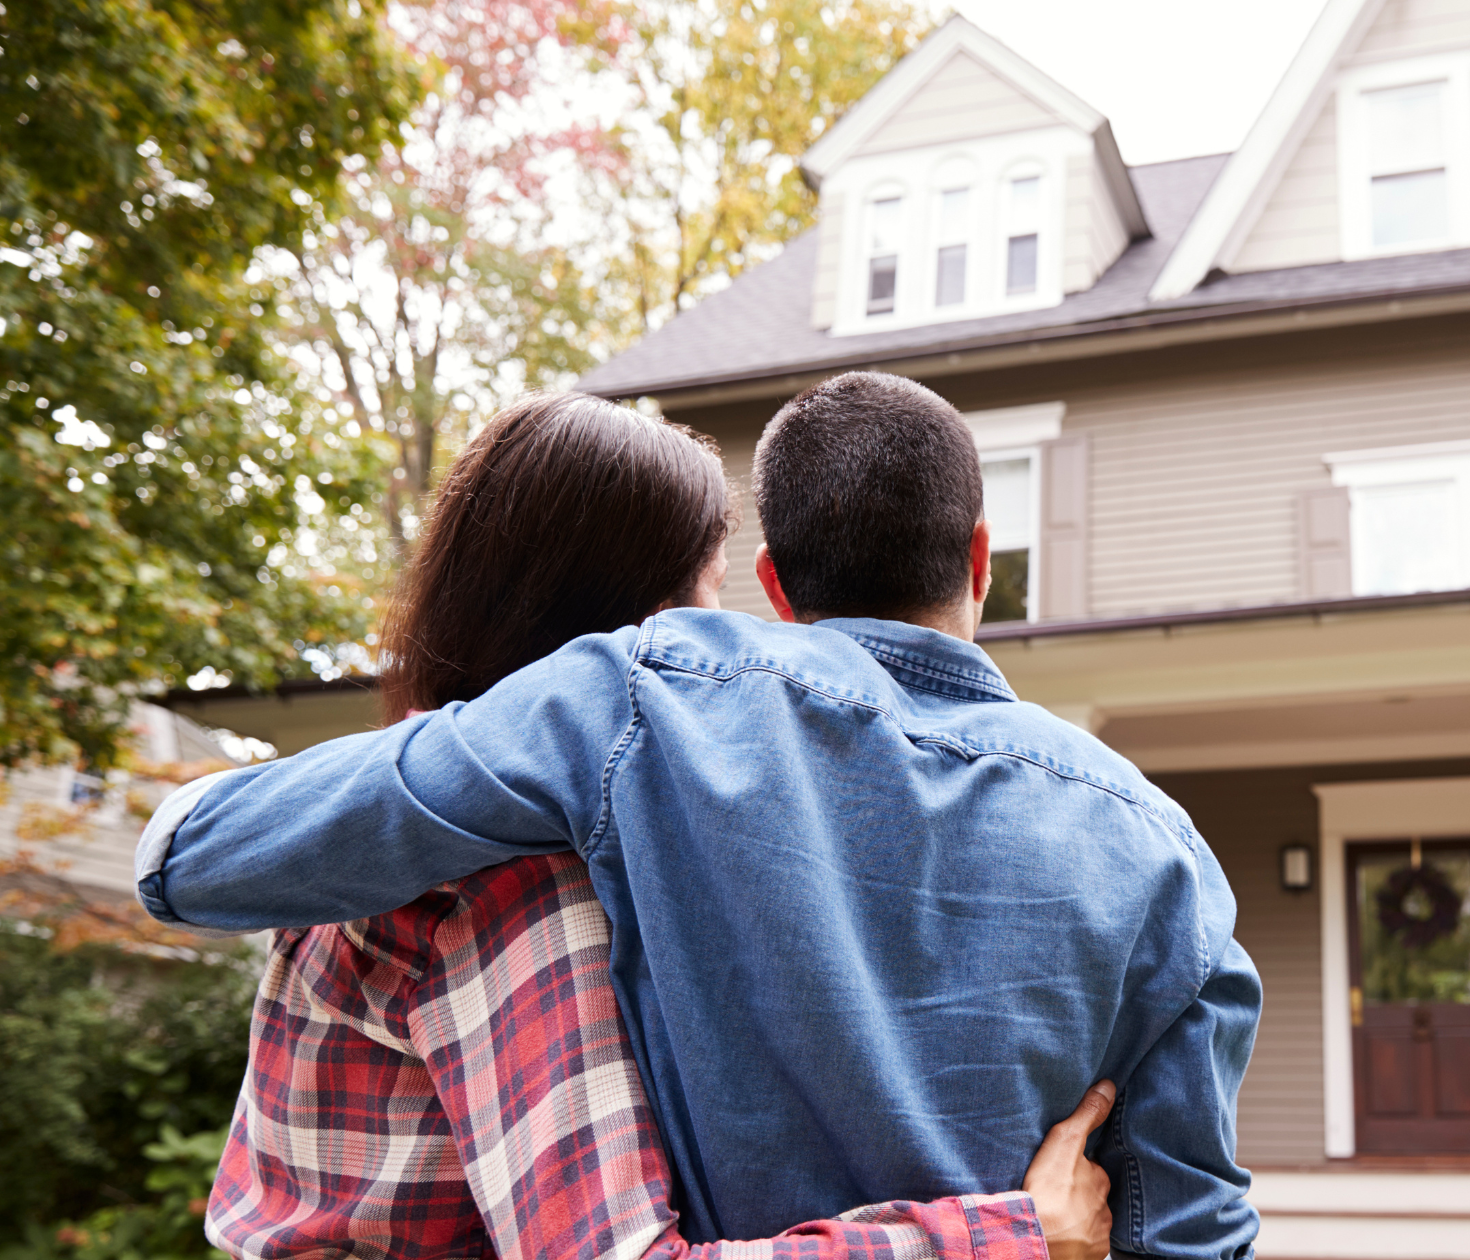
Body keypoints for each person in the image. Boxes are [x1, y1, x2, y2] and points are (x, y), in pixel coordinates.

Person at [139, 374, 1262, 1260]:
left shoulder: (628, 708)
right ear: (981, 560)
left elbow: (189, 864)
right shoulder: (1166, 851)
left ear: (776, 588)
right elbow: (1186, 1226)